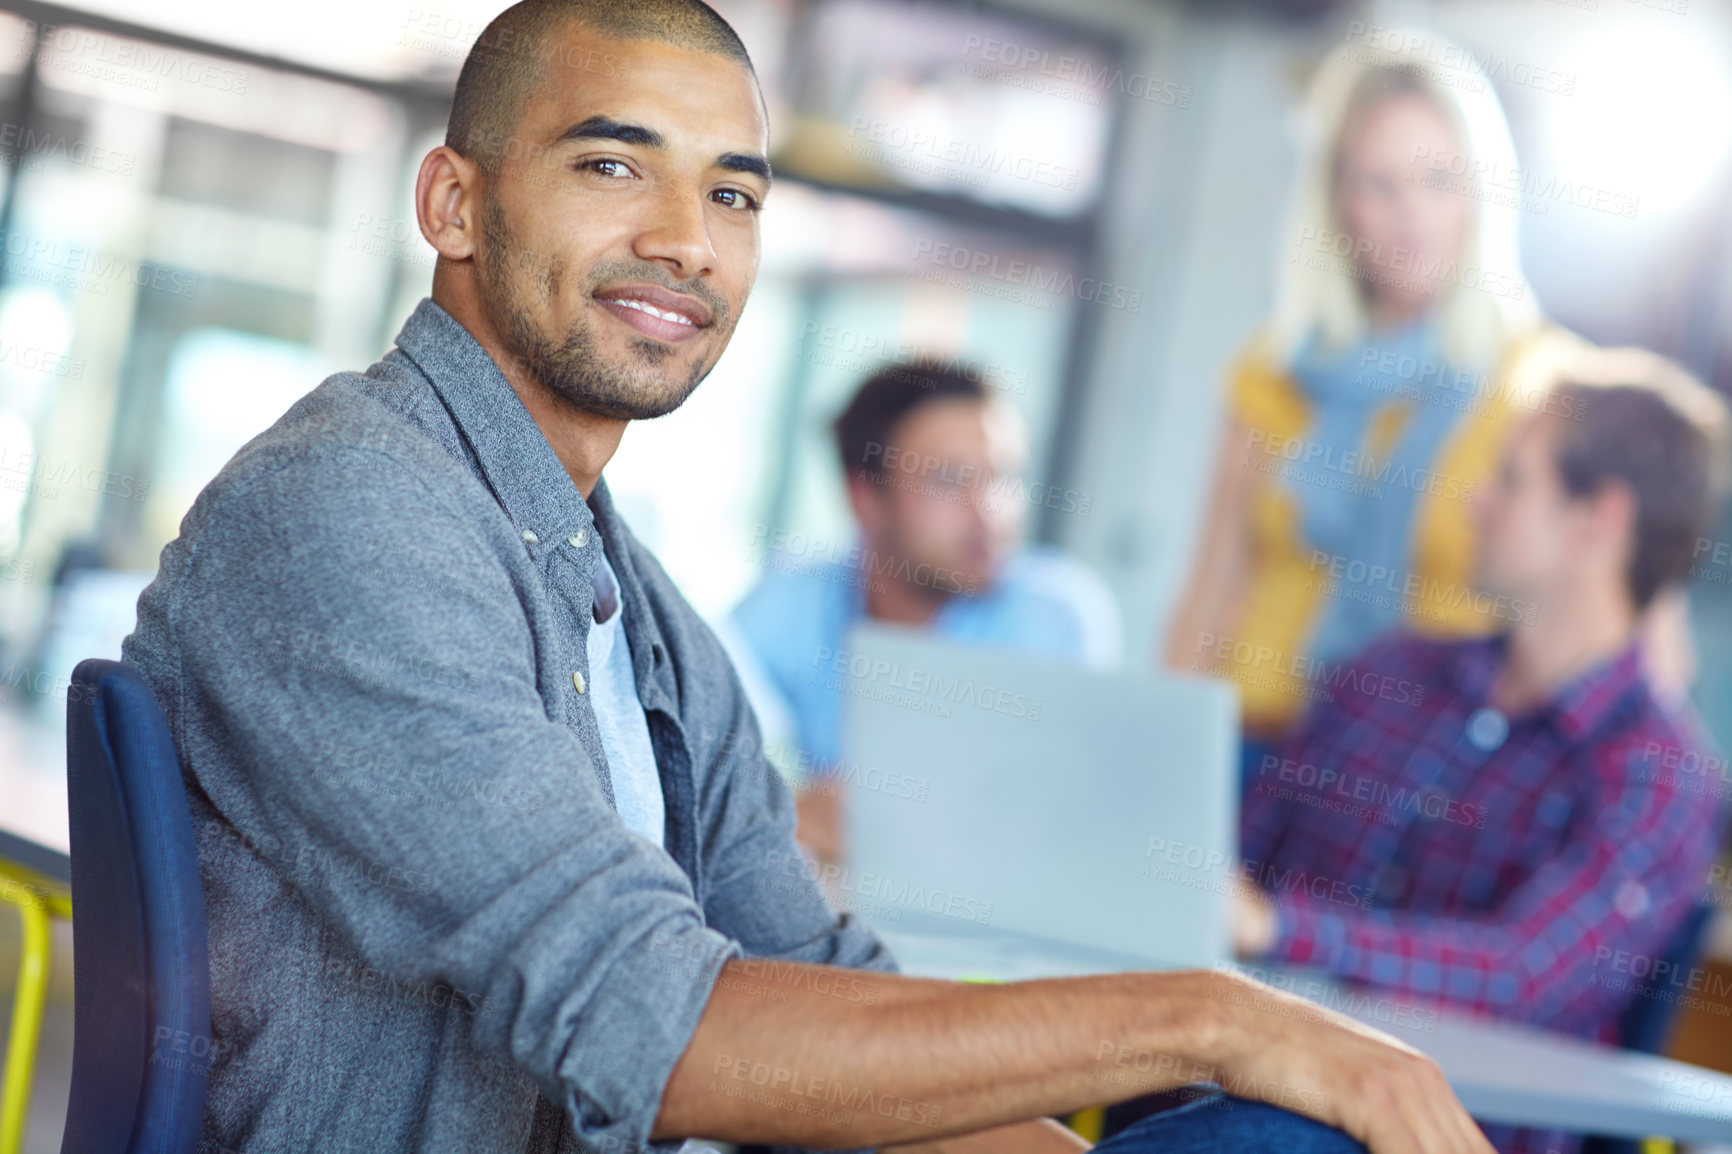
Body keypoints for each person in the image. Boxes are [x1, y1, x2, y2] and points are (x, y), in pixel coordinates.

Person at [119, 3, 1493, 1152]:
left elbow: (824, 994)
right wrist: (1211, 1014)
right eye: (614, 167)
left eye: (732, 192)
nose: (687, 240)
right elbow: (643, 1025)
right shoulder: (351, 511)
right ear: (454, 202)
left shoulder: (624, 591)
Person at [1228, 347, 1732, 1154]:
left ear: (1596, 520)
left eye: (1511, 479)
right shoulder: (1386, 674)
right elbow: (1237, 857)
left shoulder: (1660, 775)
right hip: (1243, 1071)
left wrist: (1276, 929)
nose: (1473, 504)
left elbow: (1521, 971)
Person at [1160, 32, 1598, 778]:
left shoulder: (1546, 387)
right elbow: (1210, 594)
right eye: (1379, 183)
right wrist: (1163, 753)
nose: (1411, 216)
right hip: (1252, 742)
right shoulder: (1272, 373)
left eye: (1439, 180)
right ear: (1335, 200)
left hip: (1427, 775)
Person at [723, 362, 1121, 863]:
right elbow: (699, 758)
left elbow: (1067, 827)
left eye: (1003, 476)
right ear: (865, 497)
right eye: (951, 480)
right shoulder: (790, 602)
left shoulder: (1057, 616)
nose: (989, 511)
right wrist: (791, 809)